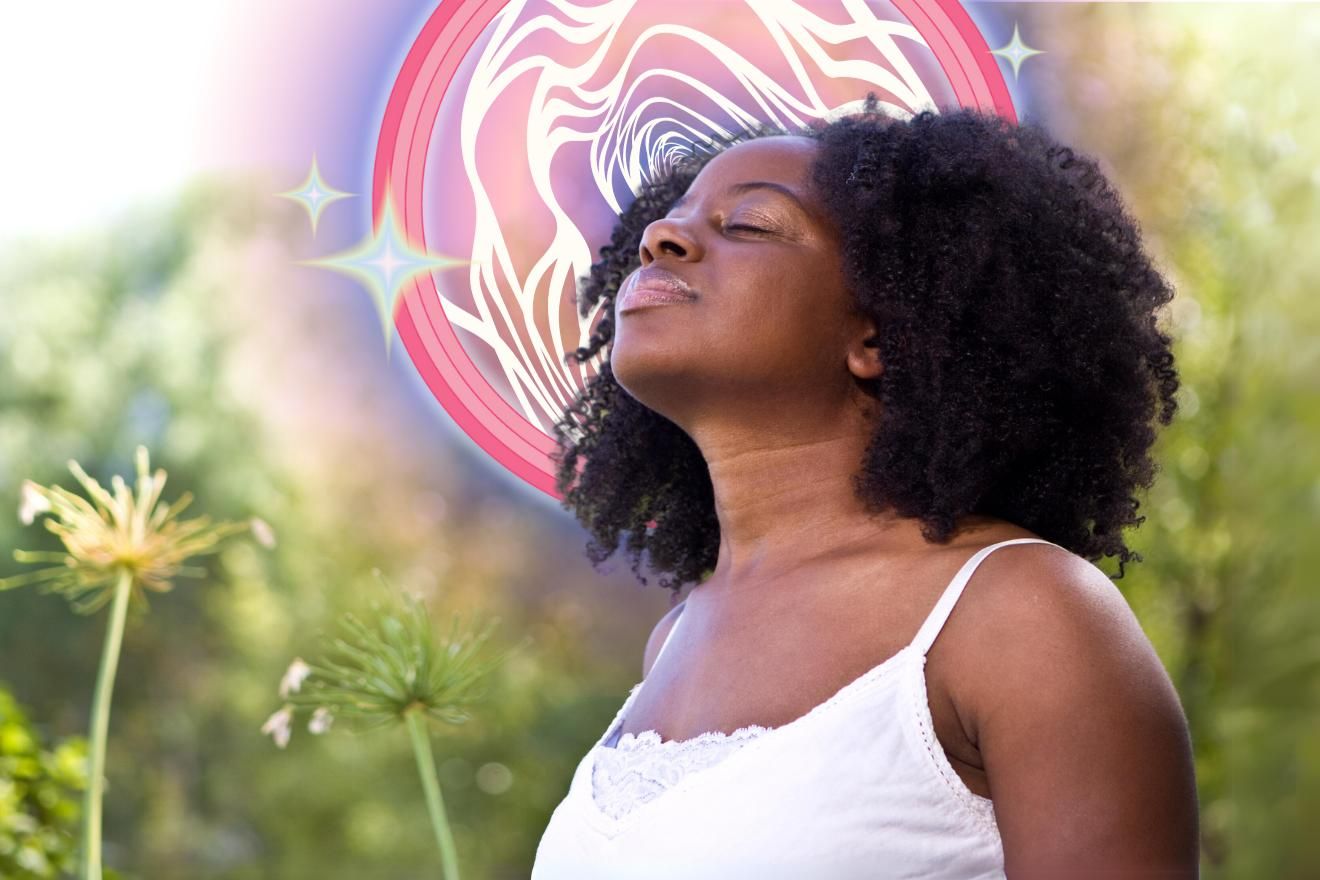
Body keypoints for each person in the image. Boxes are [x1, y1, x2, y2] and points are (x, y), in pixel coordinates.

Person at [533, 94, 1199, 878]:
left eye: (747, 224)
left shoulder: (1020, 614)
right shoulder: (676, 638)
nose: (661, 237)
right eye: (670, 220)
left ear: (878, 335)